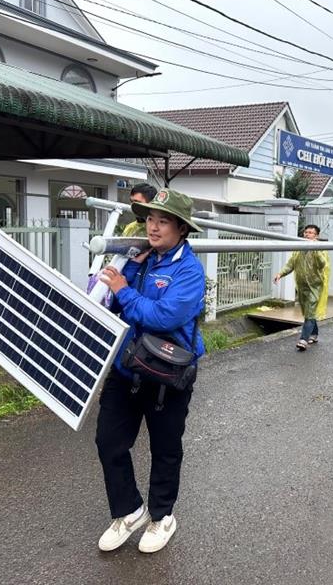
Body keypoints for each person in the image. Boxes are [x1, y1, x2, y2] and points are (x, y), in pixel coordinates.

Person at [95, 189, 205, 554]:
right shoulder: (137, 259)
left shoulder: (189, 271)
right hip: (127, 367)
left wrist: (124, 291)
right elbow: (108, 298)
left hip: (167, 375)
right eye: (150, 220)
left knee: (165, 448)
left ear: (182, 229)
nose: (153, 227)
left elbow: (163, 317)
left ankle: (162, 517)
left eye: (163, 221)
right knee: (109, 441)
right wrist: (115, 280)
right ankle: (129, 511)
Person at [273, 224, 330, 351]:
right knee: (308, 312)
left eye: (310, 233)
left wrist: (315, 249)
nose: (307, 235)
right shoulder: (299, 249)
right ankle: (314, 334)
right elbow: (291, 264)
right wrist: (280, 274)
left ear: (316, 236)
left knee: (310, 311)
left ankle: (303, 339)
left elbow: (322, 264)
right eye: (306, 232)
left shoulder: (320, 248)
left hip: (315, 286)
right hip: (302, 285)